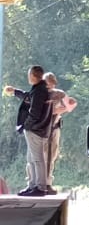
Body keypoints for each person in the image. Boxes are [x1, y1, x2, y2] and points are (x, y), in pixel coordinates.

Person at [3, 66, 53, 195]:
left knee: (38, 159)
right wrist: (15, 91)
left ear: (33, 75)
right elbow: (28, 96)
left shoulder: (40, 91)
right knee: (31, 159)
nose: (28, 77)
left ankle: (40, 187)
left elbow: (35, 112)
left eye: (29, 74)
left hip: (36, 130)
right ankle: (32, 185)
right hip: (36, 129)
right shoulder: (39, 89)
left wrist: (27, 125)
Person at [44, 74, 78, 192]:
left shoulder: (59, 94)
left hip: (54, 127)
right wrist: (53, 111)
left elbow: (70, 106)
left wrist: (66, 106)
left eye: (51, 82)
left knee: (51, 156)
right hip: (41, 129)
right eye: (47, 82)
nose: (49, 85)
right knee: (38, 156)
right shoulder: (39, 93)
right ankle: (35, 182)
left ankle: (47, 183)